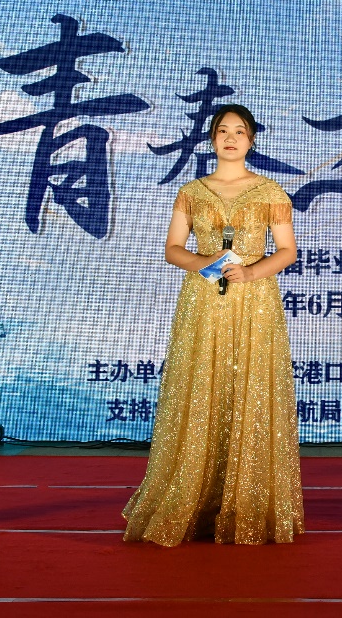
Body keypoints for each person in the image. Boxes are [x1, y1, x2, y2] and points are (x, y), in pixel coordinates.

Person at [123, 104, 303, 546]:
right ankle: (191, 499)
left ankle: (247, 504)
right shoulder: (191, 191)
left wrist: (251, 271)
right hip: (202, 300)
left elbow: (287, 251)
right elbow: (172, 248)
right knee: (199, 389)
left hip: (254, 303)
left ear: (252, 140)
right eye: (223, 131)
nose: (231, 138)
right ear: (211, 139)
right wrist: (206, 262)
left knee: (250, 391)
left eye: (239, 131)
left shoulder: (270, 191)